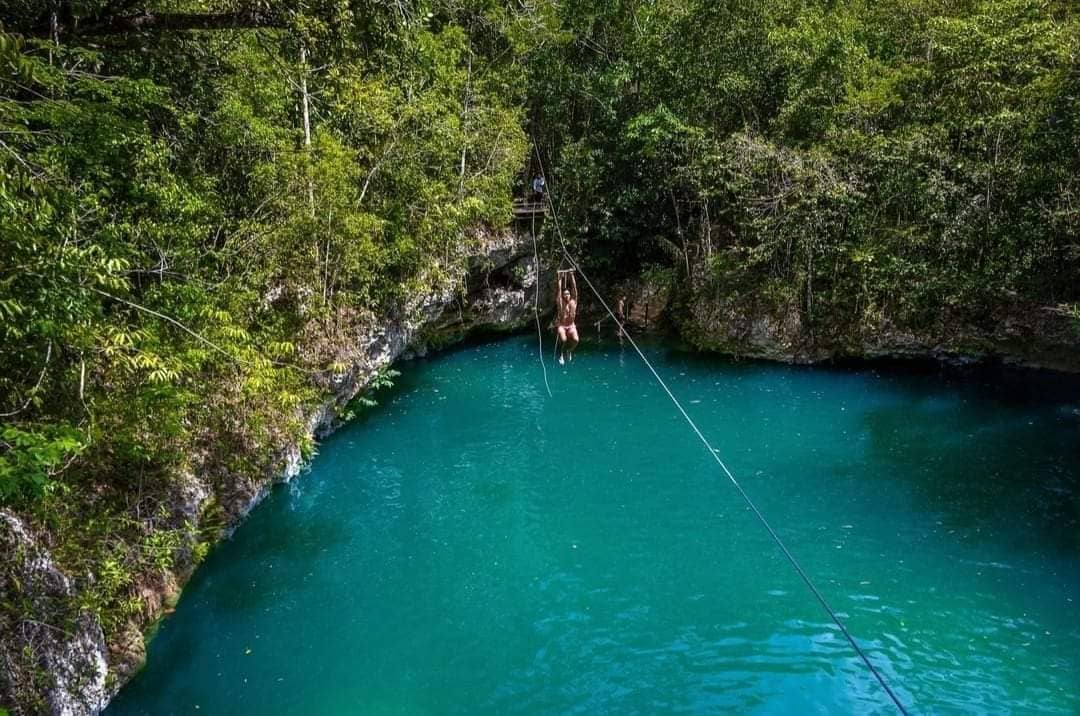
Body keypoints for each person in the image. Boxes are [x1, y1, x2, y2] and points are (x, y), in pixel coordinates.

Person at [555, 269, 579, 364]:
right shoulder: (560, 302)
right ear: (562, 296)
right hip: (562, 325)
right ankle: (561, 354)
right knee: (564, 339)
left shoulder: (574, 301)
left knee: (576, 340)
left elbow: (574, 288)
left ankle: (569, 351)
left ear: (570, 295)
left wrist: (572, 275)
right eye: (565, 294)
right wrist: (559, 278)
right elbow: (559, 289)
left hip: (571, 325)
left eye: (568, 294)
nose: (566, 295)